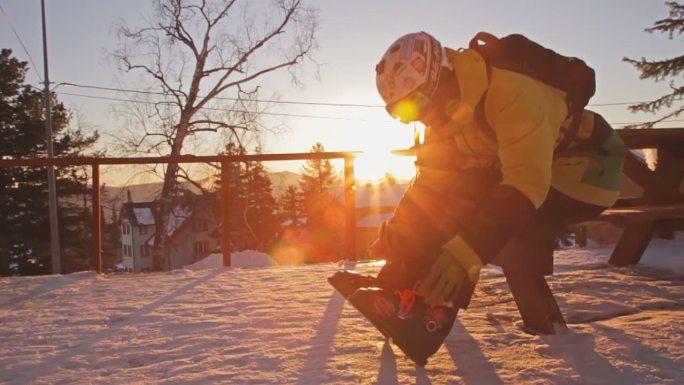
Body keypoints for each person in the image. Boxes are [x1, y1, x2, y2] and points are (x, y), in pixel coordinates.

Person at [330, 31, 626, 366]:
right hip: (536, 174)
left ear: (440, 78)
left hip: (586, 174)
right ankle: (395, 290)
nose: (417, 116)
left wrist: (465, 252)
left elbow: (525, 185)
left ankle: (429, 320)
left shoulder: (512, 92)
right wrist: (398, 237)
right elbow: (430, 183)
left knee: (474, 196)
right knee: (455, 189)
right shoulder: (444, 111)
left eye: (417, 104)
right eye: (403, 113)